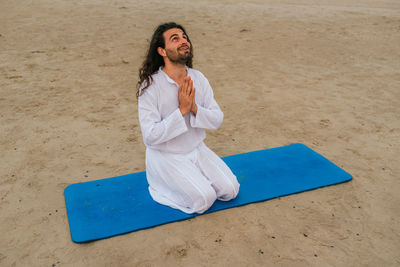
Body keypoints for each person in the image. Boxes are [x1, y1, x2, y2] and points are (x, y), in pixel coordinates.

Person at [137, 22, 240, 214]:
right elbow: (149, 136)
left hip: (197, 150)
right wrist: (181, 111)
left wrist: (193, 107)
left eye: (184, 37)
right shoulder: (150, 86)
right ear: (162, 51)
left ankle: (196, 176)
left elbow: (217, 118)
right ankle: (159, 185)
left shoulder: (198, 78)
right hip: (167, 157)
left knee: (231, 190)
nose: (184, 41)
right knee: (204, 200)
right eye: (175, 39)